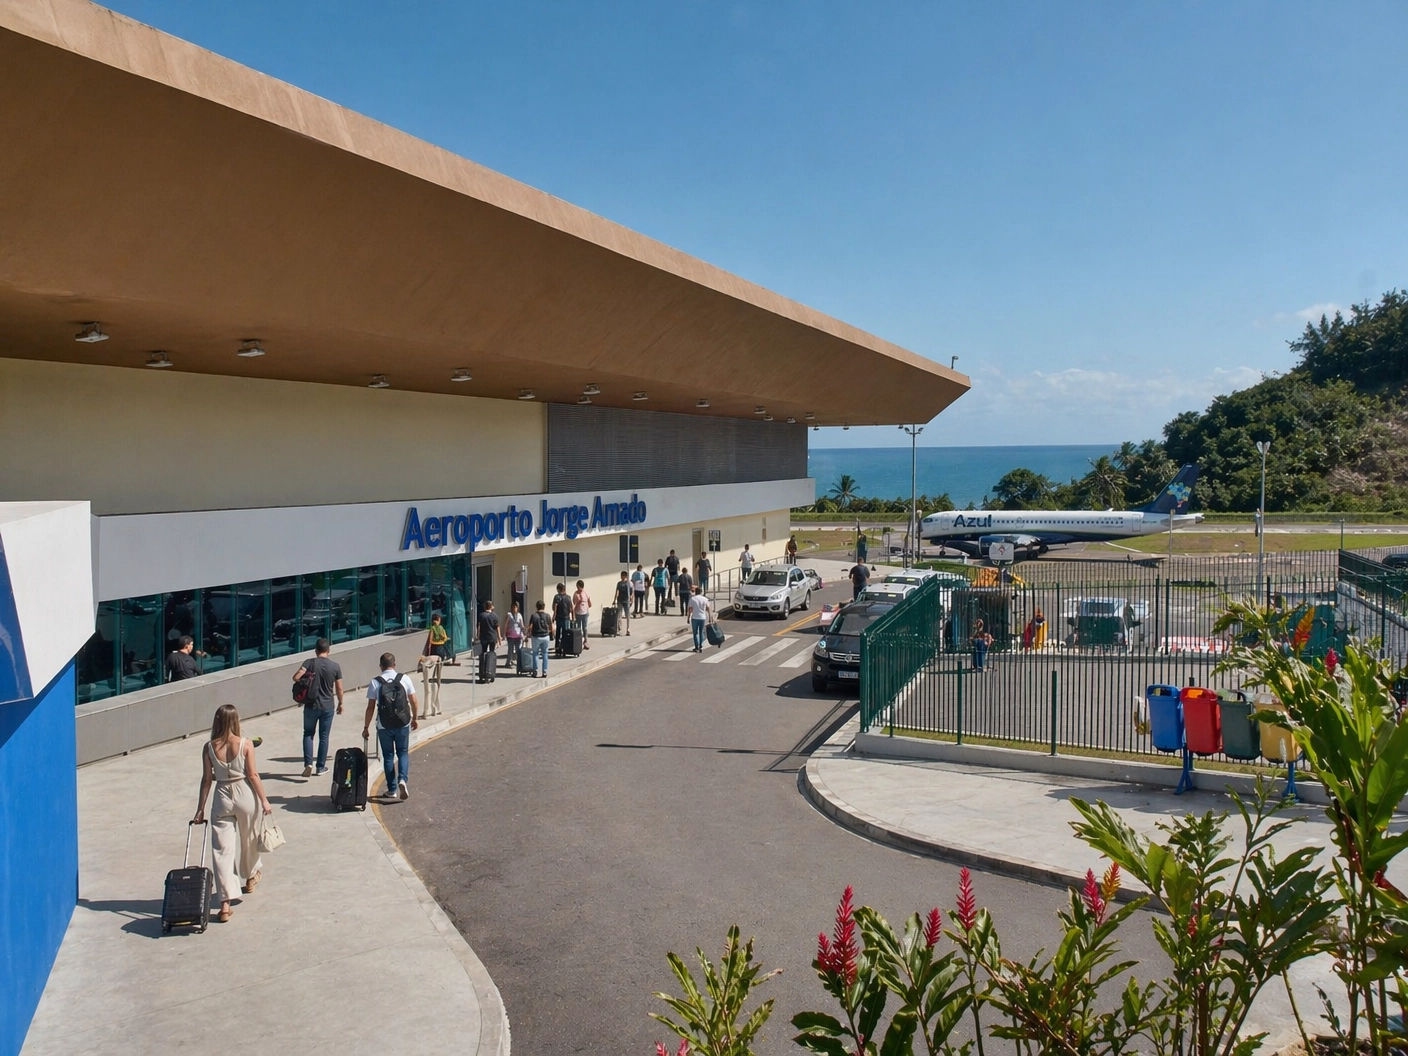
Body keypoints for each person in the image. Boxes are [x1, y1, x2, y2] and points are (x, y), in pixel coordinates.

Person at [192, 704, 272, 924]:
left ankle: (225, 905)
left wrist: (200, 808)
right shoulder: (246, 744)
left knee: (222, 851)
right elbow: (253, 775)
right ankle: (250, 877)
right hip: (244, 793)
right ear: (236, 720)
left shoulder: (209, 747)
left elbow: (206, 779)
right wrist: (264, 800)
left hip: (222, 796)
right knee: (249, 839)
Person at [362, 652, 419, 801]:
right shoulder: (404, 679)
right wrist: (415, 718)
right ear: (394, 665)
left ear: (381, 666)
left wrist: (366, 727)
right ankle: (402, 779)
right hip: (403, 722)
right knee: (403, 752)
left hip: (384, 725)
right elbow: (413, 700)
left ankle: (392, 789)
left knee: (388, 756)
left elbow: (370, 707)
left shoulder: (375, 682)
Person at [292, 637, 343, 778]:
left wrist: (306, 679)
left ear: (315, 650)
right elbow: (339, 688)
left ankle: (308, 763)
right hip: (327, 706)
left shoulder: (309, 663)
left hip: (310, 705)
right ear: (328, 650)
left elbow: (296, 677)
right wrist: (341, 703)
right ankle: (320, 767)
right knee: (324, 737)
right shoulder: (335, 666)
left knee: (308, 733)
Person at [527, 600, 553, 678]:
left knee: (535, 653)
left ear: (536, 607)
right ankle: (544, 672)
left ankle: (535, 671)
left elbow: (530, 627)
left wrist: (529, 634)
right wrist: (550, 632)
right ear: (544, 607)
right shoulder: (547, 616)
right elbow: (551, 627)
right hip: (545, 636)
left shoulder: (534, 615)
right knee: (545, 653)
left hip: (536, 636)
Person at [476, 600, 501, 682]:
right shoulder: (494, 616)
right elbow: (497, 627)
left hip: (484, 637)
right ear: (491, 607)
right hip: (492, 637)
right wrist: (499, 638)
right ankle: (491, 673)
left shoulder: (481, 615)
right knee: (491, 654)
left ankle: (482, 674)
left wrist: (478, 635)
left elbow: (479, 626)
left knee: (483, 654)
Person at [686, 586, 713, 652]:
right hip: (702, 617)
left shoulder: (692, 599)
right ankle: (700, 645)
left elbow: (690, 609)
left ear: (695, 592)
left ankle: (696, 646)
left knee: (695, 633)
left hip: (695, 617)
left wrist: (688, 617)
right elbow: (708, 609)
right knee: (701, 632)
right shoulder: (705, 599)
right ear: (701, 592)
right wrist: (710, 617)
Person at [552, 582, 573, 657]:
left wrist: (554, 616)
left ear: (558, 589)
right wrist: (573, 618)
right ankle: (564, 647)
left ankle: (557, 647)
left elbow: (555, 607)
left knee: (558, 632)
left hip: (559, 617)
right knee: (565, 633)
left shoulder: (557, 597)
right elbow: (571, 608)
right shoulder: (568, 597)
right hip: (567, 618)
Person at [504, 601, 525, 671]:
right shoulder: (509, 615)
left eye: (515, 607)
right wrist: (505, 633)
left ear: (517, 608)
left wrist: (524, 632)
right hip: (510, 635)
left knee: (518, 650)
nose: (514, 609)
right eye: (513, 607)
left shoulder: (519, 615)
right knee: (510, 650)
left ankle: (518, 662)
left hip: (518, 636)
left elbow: (522, 625)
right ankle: (508, 662)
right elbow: (506, 624)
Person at [572, 580, 592, 650]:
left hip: (585, 613)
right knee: (578, 628)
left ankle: (585, 641)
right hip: (578, 613)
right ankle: (579, 641)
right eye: (578, 587)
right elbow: (574, 604)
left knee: (585, 628)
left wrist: (586, 606)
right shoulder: (575, 594)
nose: (578, 589)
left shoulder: (585, 593)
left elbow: (590, 604)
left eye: (579, 587)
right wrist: (578, 602)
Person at [615, 571, 633, 636]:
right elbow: (617, 591)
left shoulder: (629, 583)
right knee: (619, 615)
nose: (621, 577)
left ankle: (628, 629)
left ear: (625, 576)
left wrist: (631, 600)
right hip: (620, 600)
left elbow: (631, 592)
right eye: (621, 576)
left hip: (626, 600)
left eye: (623, 576)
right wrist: (614, 600)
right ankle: (619, 629)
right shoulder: (619, 583)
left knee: (627, 615)